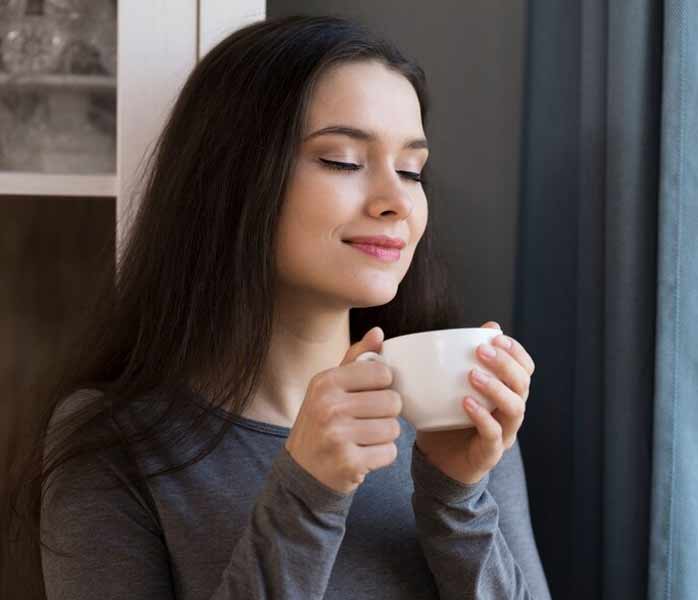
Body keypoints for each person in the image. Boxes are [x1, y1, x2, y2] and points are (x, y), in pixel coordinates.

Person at [8, 14, 551, 600]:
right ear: (233, 177)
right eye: (342, 160)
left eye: (410, 170)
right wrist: (306, 494)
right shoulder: (118, 441)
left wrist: (457, 499)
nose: (396, 200)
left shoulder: (456, 414)